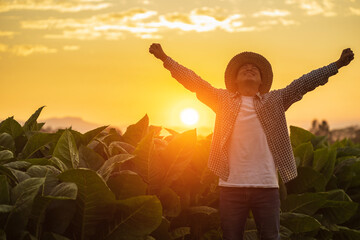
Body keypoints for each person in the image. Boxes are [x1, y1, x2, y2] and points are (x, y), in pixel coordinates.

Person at [149, 43, 354, 240]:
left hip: (266, 187)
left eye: (254, 68)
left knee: (271, 237)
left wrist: (336, 65)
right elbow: (195, 82)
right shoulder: (222, 100)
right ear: (235, 80)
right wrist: (165, 59)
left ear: (262, 80)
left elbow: (305, 83)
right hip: (231, 187)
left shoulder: (276, 100)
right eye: (244, 68)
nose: (249, 68)